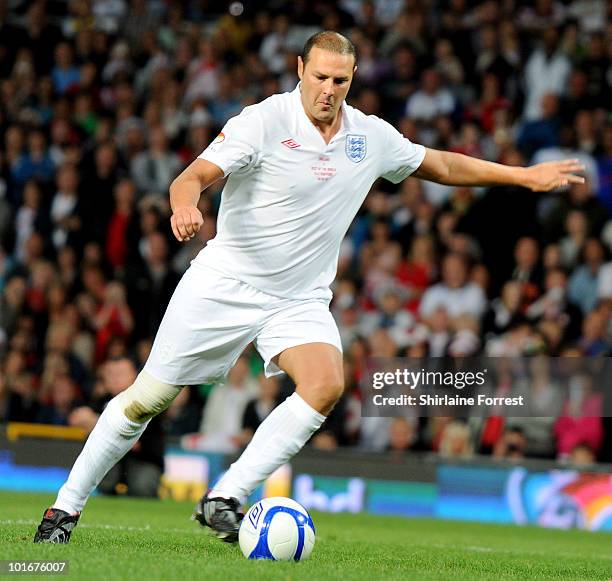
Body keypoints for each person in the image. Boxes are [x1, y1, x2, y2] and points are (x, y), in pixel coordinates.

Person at [34, 31, 585, 544]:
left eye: (339, 81)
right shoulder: (264, 120)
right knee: (147, 399)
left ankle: (227, 494)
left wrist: (522, 175)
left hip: (297, 298)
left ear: (352, 79)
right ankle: (65, 507)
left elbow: (438, 164)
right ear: (300, 69)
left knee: (324, 384)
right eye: (319, 77)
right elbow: (194, 175)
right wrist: (184, 204)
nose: (328, 90)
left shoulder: (369, 137)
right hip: (226, 281)